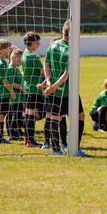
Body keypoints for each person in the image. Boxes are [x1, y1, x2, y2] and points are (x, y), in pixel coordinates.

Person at [44, 20, 86, 156]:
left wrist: (48, 80)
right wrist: (53, 86)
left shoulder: (54, 45)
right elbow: (66, 74)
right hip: (68, 91)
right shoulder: (70, 49)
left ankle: (56, 149)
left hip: (54, 90)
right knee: (80, 116)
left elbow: (46, 63)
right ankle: (75, 148)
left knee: (55, 118)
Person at [21, 31, 46, 148]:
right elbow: (43, 72)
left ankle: (28, 140)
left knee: (29, 114)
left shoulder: (25, 55)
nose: (39, 45)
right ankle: (31, 141)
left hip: (27, 87)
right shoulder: (33, 57)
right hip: (34, 89)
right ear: (32, 43)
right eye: (38, 43)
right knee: (32, 114)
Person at [0, 39, 15, 144]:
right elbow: (4, 81)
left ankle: (0, 137)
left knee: (2, 115)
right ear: (1, 50)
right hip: (2, 93)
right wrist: (12, 92)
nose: (9, 50)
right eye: (7, 48)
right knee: (1, 116)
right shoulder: (1, 64)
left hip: (4, 93)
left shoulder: (4, 62)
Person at [7, 47, 27, 142]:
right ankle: (12, 134)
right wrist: (21, 88)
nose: (21, 62)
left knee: (18, 116)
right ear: (14, 57)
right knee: (16, 116)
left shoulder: (16, 69)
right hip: (15, 98)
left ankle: (16, 134)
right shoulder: (11, 69)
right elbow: (11, 83)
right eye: (20, 59)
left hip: (19, 98)